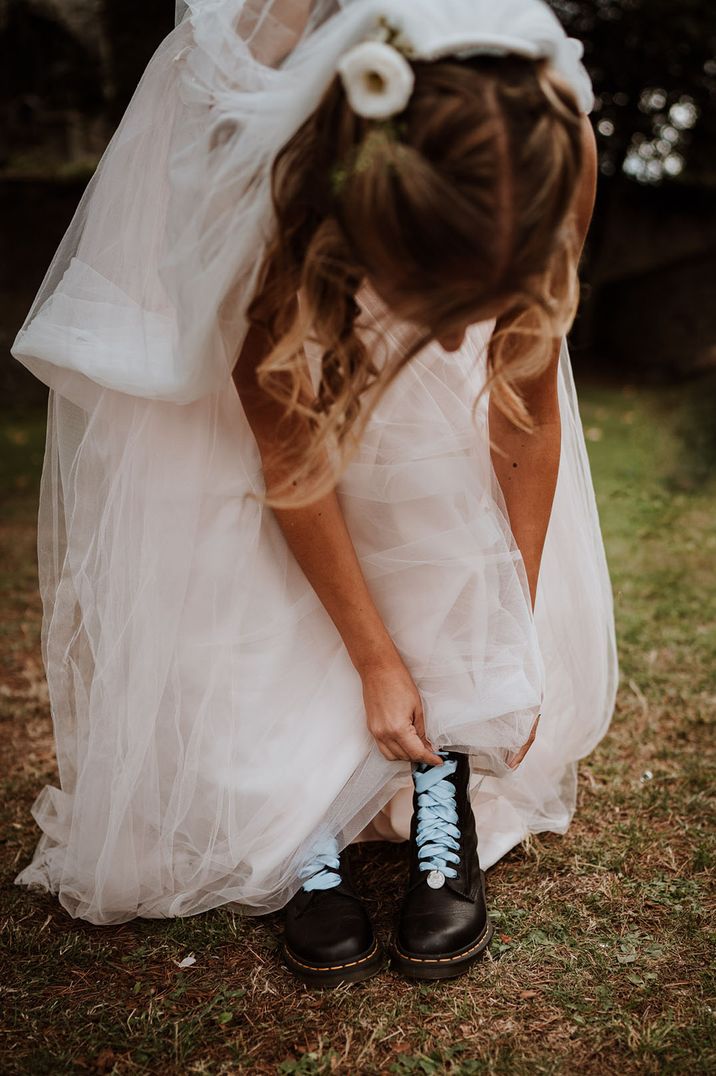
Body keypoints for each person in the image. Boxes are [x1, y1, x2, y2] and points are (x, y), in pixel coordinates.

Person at [11, 0, 618, 987]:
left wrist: (514, 631)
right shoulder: (270, 180)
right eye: (438, 309)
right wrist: (375, 659)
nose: (461, 344)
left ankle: (438, 774)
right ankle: (289, 813)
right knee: (225, 507)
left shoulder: (546, 145)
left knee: (433, 473)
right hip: (255, 191)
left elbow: (521, 408)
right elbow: (287, 453)